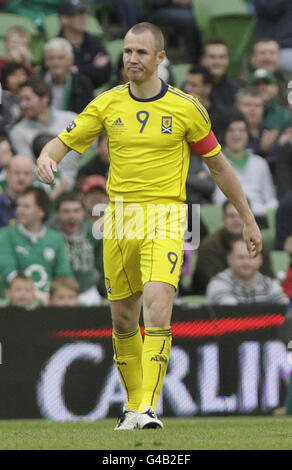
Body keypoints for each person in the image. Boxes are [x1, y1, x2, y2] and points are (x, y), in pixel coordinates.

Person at [36, 22, 262, 430]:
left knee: (157, 309)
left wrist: (247, 218)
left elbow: (218, 165)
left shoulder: (186, 107)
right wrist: (46, 157)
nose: (132, 59)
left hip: (168, 217)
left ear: (160, 58)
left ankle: (147, 408)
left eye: (141, 52)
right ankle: (132, 406)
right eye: (127, 51)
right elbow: (63, 141)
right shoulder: (107, 104)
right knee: (123, 319)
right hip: (118, 220)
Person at [0, 186, 73, 304]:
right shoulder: (5, 235)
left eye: (26, 206)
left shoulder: (56, 238)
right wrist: (37, 295)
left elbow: (64, 275)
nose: (19, 210)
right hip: (15, 305)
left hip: (49, 304)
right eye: (19, 205)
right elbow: (8, 271)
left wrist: (58, 296)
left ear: (41, 211)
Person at [190, 201, 274, 295]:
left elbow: (269, 277)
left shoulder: (258, 243)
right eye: (231, 216)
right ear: (223, 219)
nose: (236, 220)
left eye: (241, 215)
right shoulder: (209, 245)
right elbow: (211, 282)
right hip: (212, 297)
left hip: (256, 295)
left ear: (250, 219)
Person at [9, 75, 79, 185]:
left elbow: (92, 152)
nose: (22, 104)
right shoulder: (18, 132)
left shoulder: (72, 120)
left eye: (27, 99)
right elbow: (29, 168)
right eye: (21, 99)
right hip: (45, 189)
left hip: (80, 182)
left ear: (44, 99)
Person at [213, 114, 278, 224]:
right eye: (231, 130)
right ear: (224, 134)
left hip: (258, 218)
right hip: (227, 218)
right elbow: (216, 199)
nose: (237, 135)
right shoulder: (213, 162)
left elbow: (271, 199)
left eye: (242, 130)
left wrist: (265, 210)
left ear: (248, 135)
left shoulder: (260, 163)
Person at [52, 192, 104, 305]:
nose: (72, 216)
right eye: (66, 211)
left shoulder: (93, 232)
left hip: (88, 290)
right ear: (57, 214)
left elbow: (102, 263)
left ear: (83, 213)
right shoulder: (50, 234)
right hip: (59, 293)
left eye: (76, 211)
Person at [206, 237, 288, 305]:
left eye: (251, 257)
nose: (246, 262)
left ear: (260, 260)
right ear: (230, 259)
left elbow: (285, 308)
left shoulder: (268, 283)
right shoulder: (218, 283)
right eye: (241, 257)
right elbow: (232, 312)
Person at [59, 0, 112, 89]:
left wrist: (79, 69)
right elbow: (58, 76)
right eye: (77, 14)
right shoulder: (56, 45)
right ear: (64, 19)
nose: (83, 17)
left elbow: (106, 74)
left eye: (84, 13)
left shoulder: (94, 42)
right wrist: (93, 67)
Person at [43, 37, 94, 114]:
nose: (55, 63)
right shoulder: (39, 82)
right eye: (51, 58)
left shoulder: (83, 83)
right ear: (45, 61)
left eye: (61, 58)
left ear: (71, 60)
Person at [200, 38, 239, 108]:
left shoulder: (234, 88)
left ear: (228, 60)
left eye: (222, 57)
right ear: (203, 59)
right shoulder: (192, 85)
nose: (217, 62)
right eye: (212, 57)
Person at [0, 154, 34, 227]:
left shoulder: (38, 207)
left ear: (32, 176)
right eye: (16, 172)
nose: (21, 178)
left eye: (26, 173)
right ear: (7, 174)